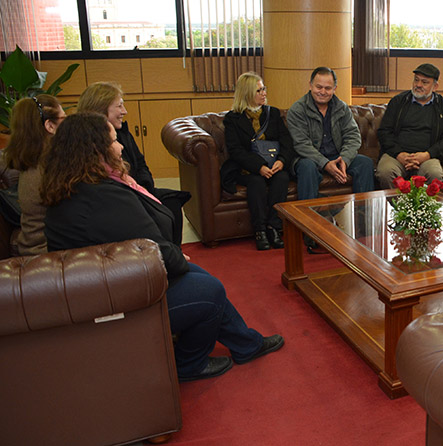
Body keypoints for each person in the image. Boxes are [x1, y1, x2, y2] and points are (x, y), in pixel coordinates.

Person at [41, 112, 284, 382]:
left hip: (103, 285)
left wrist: (177, 258)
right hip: (115, 298)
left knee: (201, 275)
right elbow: (153, 248)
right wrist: (177, 257)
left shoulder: (73, 185)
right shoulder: (102, 197)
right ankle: (188, 364)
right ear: (94, 151)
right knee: (210, 290)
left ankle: (245, 344)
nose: (121, 146)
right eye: (113, 141)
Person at [77, 82, 191, 244]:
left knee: (172, 203)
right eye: (119, 106)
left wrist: (146, 188)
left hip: (139, 188)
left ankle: (174, 253)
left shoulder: (123, 131)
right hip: (119, 199)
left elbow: (140, 162)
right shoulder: (88, 143)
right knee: (160, 211)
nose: (124, 111)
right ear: (101, 109)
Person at [286, 67, 374, 252]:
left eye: (328, 88)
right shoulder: (297, 109)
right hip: (308, 158)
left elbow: (353, 136)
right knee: (308, 167)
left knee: (365, 163)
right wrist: (325, 164)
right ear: (310, 85)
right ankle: (310, 231)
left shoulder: (341, 107)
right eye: (319, 87)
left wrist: (345, 160)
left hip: (338, 156)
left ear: (334, 88)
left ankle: (363, 224)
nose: (323, 92)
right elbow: (301, 144)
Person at [222, 72, 295, 250]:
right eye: (259, 90)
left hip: (274, 165)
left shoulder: (273, 113)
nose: (264, 93)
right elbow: (236, 151)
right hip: (246, 169)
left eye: (264, 89)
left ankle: (274, 227)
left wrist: (282, 160)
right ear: (246, 93)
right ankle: (260, 230)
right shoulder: (232, 119)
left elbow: (286, 141)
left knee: (282, 178)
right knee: (256, 182)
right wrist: (259, 166)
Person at [2, 95, 66, 256]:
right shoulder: (48, 167)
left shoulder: (34, 163)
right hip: (46, 254)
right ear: (50, 126)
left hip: (35, 248)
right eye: (64, 118)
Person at [375, 63, 443, 189]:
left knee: (435, 174)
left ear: (435, 86)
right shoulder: (398, 102)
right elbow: (384, 132)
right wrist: (399, 154)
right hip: (396, 155)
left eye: (424, 82)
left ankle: (422, 208)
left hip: (427, 157)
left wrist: (427, 155)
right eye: (416, 80)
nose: (418, 85)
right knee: (385, 172)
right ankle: (397, 208)